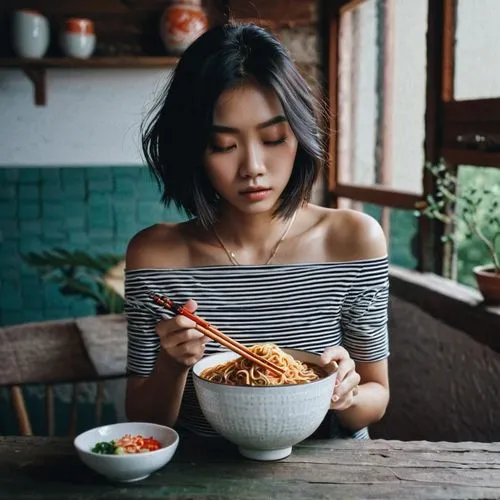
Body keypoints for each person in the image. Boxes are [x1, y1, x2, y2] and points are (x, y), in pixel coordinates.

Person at [125, 22, 390, 439]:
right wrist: (172, 364)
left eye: (273, 138)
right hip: (204, 473)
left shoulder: (353, 240)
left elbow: (376, 397)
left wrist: (349, 396)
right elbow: (144, 422)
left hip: (328, 474)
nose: (253, 167)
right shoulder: (155, 255)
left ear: (299, 136)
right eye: (223, 146)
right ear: (193, 150)